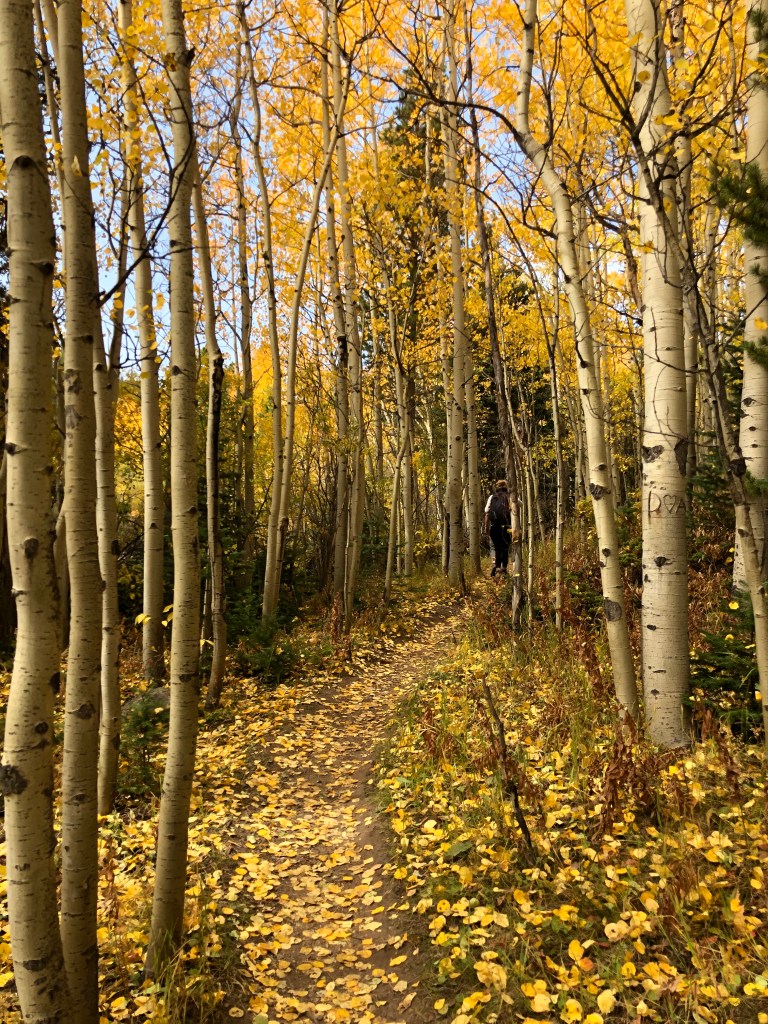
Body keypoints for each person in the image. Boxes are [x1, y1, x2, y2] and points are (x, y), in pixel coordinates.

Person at [485, 479, 511, 577]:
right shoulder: (509, 496)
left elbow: (486, 511)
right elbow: (520, 504)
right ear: (506, 486)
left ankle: (495, 565)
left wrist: (486, 527)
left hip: (494, 526)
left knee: (494, 546)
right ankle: (504, 569)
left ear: (497, 487)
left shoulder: (492, 497)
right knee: (505, 546)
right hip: (507, 526)